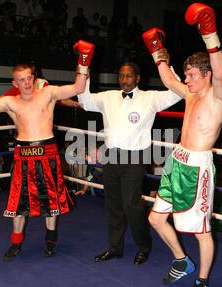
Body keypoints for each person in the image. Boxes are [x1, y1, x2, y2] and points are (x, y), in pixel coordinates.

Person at [0, 39, 94, 261]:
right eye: (22, 80)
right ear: (15, 82)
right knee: (19, 204)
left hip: (48, 152)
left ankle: (50, 242)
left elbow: (78, 88)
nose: (27, 83)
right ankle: (16, 244)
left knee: (51, 203)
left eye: (29, 78)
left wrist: (83, 61)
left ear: (34, 77)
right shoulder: (10, 102)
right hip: (23, 156)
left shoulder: (48, 94)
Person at [144, 2, 222, 287]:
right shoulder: (190, 94)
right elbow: (168, 79)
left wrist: (209, 33)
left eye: (192, 75)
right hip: (176, 162)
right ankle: (182, 261)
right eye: (187, 74)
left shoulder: (217, 96)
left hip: (197, 170)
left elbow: (221, 73)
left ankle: (202, 281)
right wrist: (157, 51)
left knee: (201, 231)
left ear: (205, 75)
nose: (187, 80)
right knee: (155, 218)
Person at [77, 61, 182, 265]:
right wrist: (84, 74)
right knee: (113, 205)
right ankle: (114, 248)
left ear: (137, 78)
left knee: (132, 205)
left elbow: (177, 92)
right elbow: (85, 100)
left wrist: (166, 64)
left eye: (128, 76)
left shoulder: (150, 98)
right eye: (121, 76)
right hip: (111, 155)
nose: (124, 80)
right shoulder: (108, 97)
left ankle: (144, 246)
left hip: (135, 158)